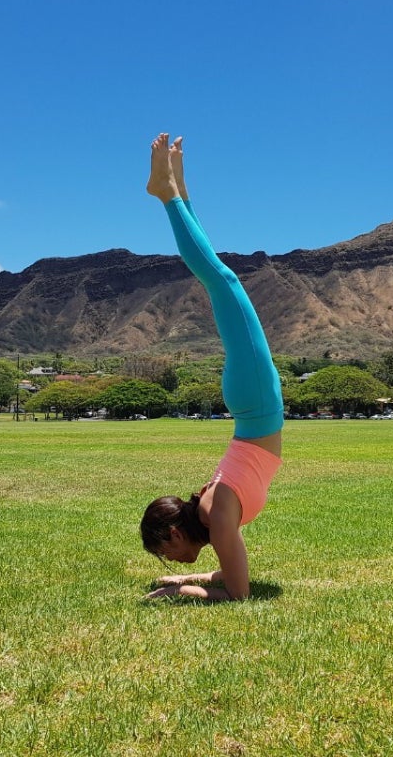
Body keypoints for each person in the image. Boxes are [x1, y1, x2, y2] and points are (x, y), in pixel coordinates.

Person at [140, 133, 285, 602]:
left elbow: (236, 595)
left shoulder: (217, 513)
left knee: (223, 281)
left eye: (164, 555)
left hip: (255, 406)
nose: (169, 562)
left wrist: (181, 592)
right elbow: (230, 580)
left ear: (173, 535)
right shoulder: (214, 515)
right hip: (254, 407)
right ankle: (176, 190)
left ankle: (170, 195)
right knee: (222, 281)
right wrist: (193, 581)